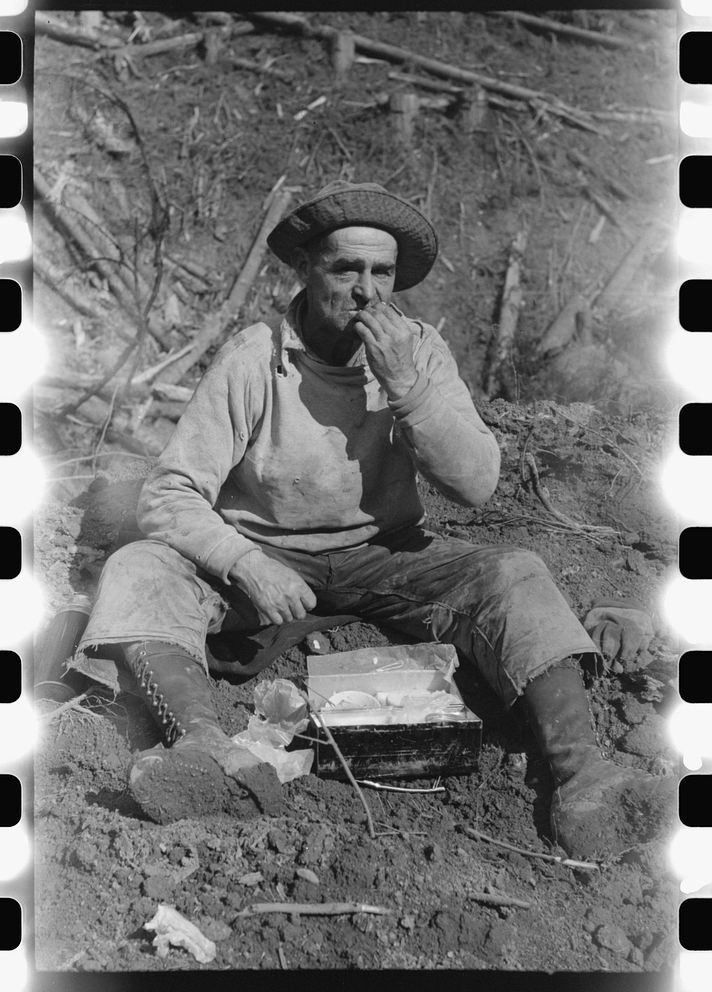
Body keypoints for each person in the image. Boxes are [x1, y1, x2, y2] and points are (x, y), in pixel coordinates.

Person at [72, 182, 671, 856]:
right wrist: (245, 562)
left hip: (384, 553)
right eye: (345, 268)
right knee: (140, 565)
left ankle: (586, 781)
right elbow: (169, 493)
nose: (365, 290)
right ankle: (206, 753)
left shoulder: (418, 352)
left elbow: (476, 484)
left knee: (514, 571)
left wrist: (409, 390)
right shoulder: (253, 358)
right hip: (264, 553)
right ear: (306, 270)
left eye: (380, 272)